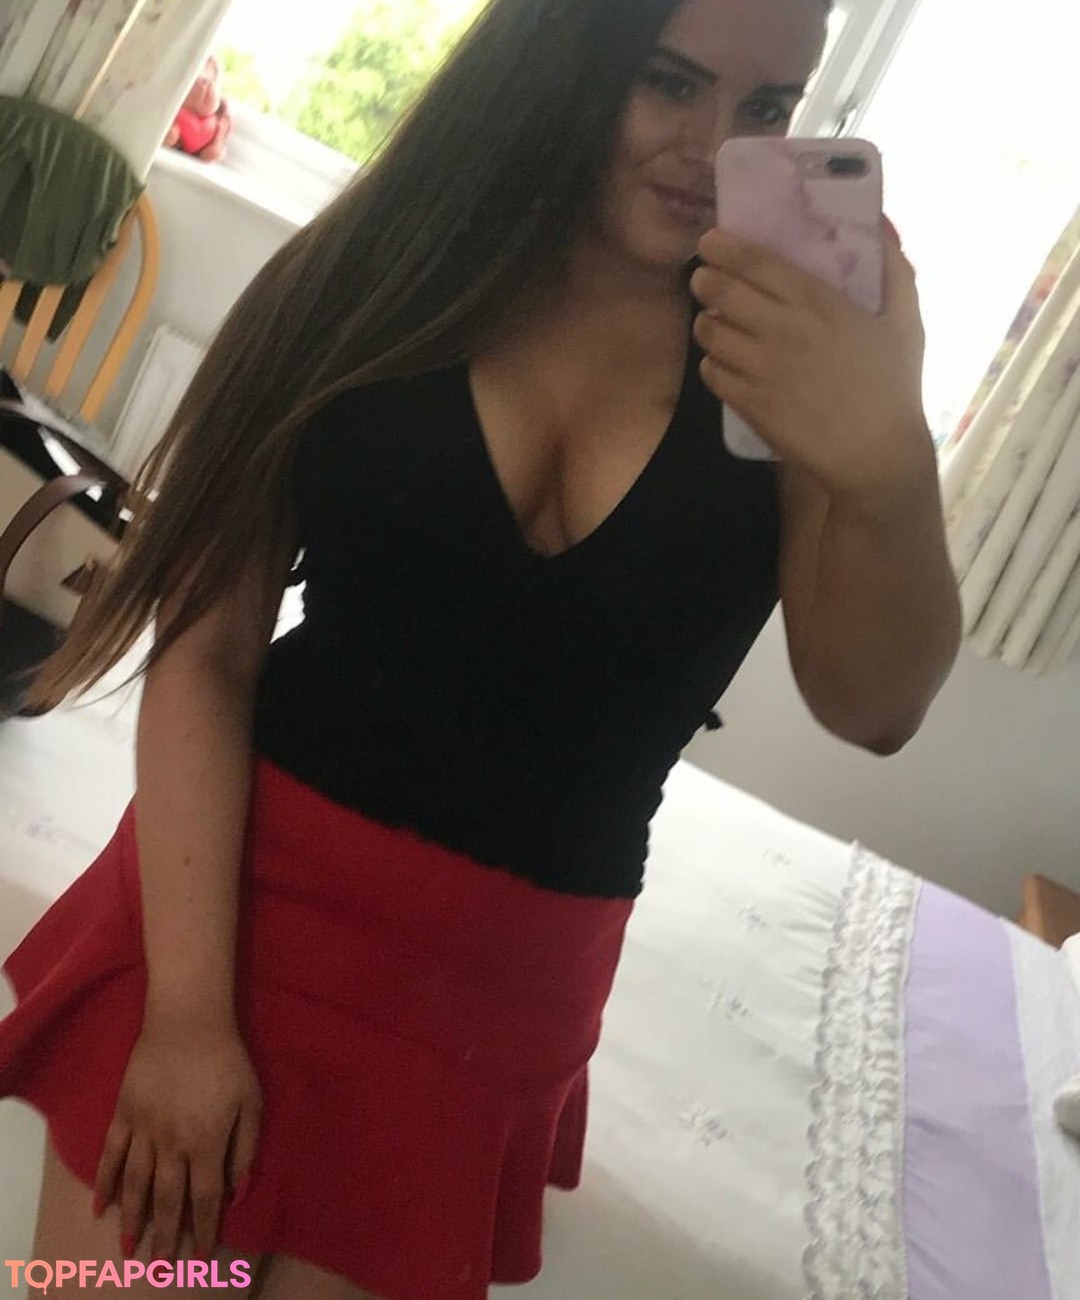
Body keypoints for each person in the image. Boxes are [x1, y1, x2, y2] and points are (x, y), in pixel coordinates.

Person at [0, 0, 964, 1296]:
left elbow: (874, 706)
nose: (712, 147)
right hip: (223, 916)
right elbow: (206, 654)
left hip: (493, 1010)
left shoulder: (781, 359)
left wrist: (890, 457)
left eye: (766, 109)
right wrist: (184, 1017)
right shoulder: (367, 280)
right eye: (668, 82)